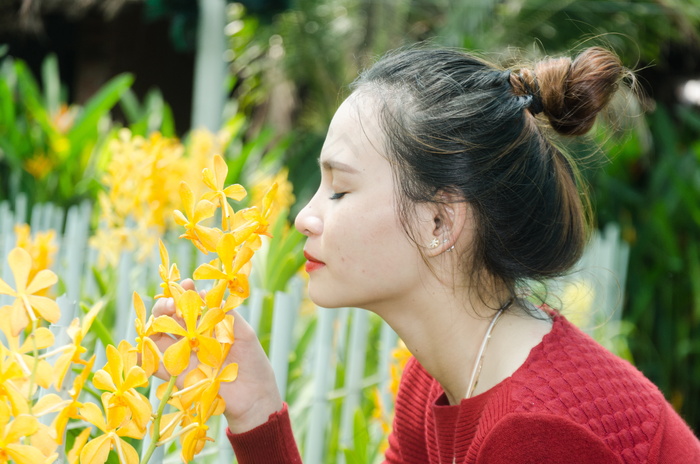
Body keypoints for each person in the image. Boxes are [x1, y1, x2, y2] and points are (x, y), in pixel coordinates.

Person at [153, 46, 700, 463]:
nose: (304, 216)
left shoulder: (536, 434)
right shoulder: (436, 380)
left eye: (339, 189)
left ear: (439, 221)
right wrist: (256, 410)